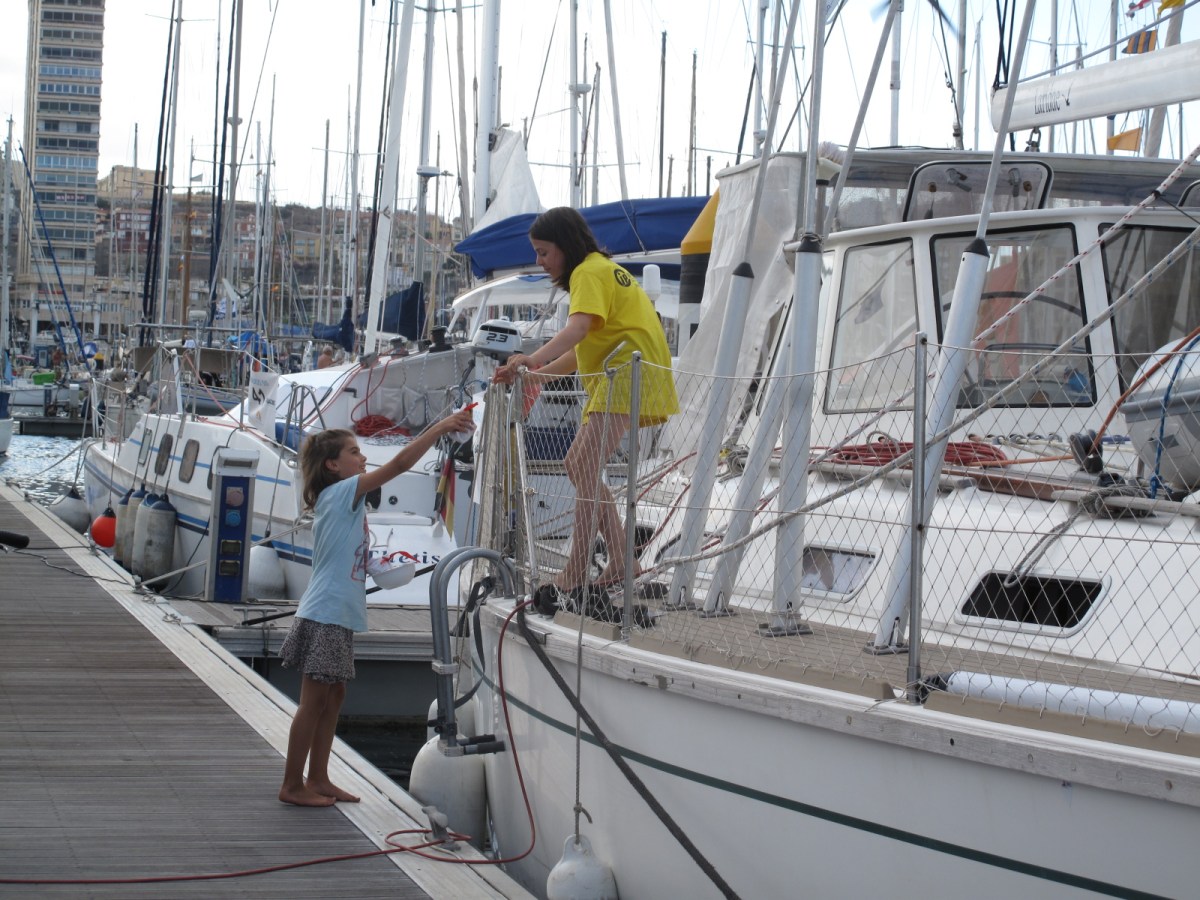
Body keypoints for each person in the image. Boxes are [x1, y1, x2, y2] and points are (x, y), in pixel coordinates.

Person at [277, 407, 474, 807]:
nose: (363, 456)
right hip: (325, 613)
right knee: (313, 702)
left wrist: (383, 566)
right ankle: (292, 785)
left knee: (334, 697)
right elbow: (399, 465)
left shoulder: (345, 503)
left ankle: (318, 778)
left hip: (337, 613)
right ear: (333, 465)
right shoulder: (341, 493)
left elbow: (351, 556)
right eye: (354, 452)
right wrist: (440, 427)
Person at [494, 206, 678, 595]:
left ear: (565, 245)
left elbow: (576, 330)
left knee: (583, 464)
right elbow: (583, 350)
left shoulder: (586, 273)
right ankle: (623, 559)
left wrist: (531, 358)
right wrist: (536, 375)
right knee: (579, 464)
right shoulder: (600, 269)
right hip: (628, 372)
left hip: (625, 373)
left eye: (544, 252)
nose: (540, 261)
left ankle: (577, 570)